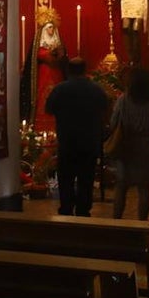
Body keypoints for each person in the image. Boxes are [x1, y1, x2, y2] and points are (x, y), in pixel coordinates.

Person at [45, 57, 108, 217]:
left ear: (68, 70)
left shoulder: (60, 89)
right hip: (89, 142)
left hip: (67, 142)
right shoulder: (96, 89)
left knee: (66, 178)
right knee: (86, 178)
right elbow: (105, 108)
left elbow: (49, 108)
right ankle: (83, 208)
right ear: (84, 70)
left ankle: (66, 206)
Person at [109, 66, 149, 219]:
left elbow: (114, 122)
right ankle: (142, 222)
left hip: (127, 146)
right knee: (144, 189)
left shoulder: (123, 100)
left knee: (121, 187)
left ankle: (117, 220)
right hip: (147, 147)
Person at [24, 7, 66, 132]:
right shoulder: (40, 44)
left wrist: (59, 54)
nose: (51, 30)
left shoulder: (58, 43)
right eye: (49, 27)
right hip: (44, 74)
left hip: (56, 74)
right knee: (43, 95)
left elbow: (62, 58)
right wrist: (50, 54)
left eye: (53, 27)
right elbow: (40, 55)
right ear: (44, 30)